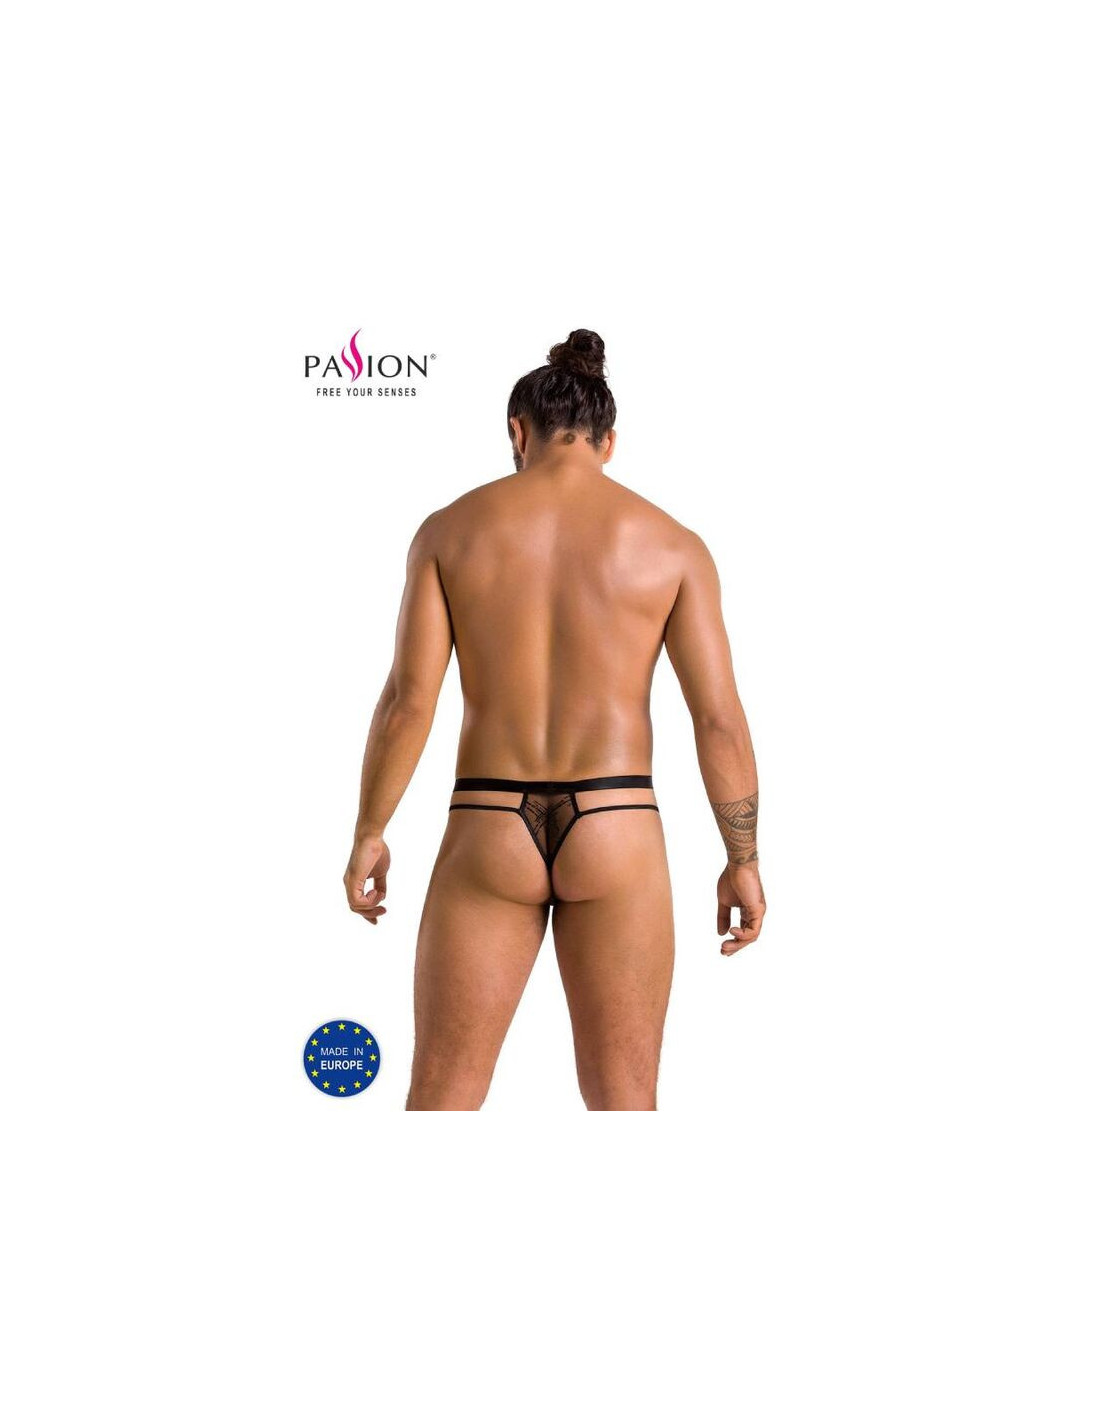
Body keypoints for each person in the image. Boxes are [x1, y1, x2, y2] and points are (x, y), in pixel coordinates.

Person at [343, 329, 766, 1111]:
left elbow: (409, 703)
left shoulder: (449, 532)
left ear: (518, 431)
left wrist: (370, 829)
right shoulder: (673, 545)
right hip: (617, 820)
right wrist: (742, 857)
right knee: (624, 1103)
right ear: (608, 442)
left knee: (441, 1096)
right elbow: (718, 721)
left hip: (488, 821)